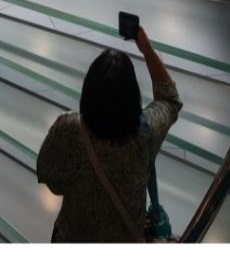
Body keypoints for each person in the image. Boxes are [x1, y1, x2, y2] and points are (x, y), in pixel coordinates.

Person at [35, 26, 180, 243]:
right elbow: (169, 99)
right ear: (133, 99)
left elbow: (51, 179)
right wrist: (147, 49)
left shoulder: (68, 129)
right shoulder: (148, 132)